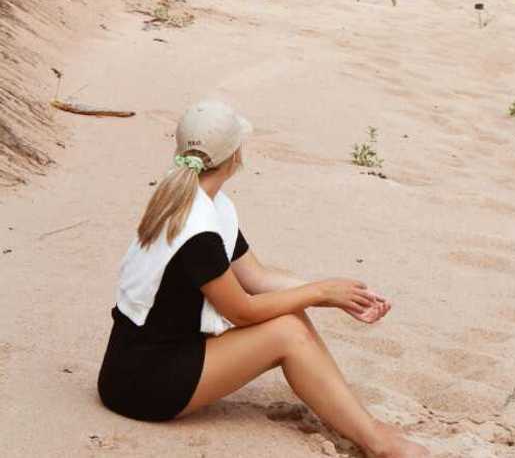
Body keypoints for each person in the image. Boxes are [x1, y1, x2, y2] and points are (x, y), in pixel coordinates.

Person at [96, 99, 427, 458]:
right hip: (143, 384)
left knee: (291, 316)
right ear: (236, 157)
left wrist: (344, 296)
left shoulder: (194, 199)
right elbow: (244, 312)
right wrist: (320, 292)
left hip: (134, 361)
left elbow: (256, 276)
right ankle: (376, 440)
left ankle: (362, 424)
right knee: (287, 331)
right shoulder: (197, 230)